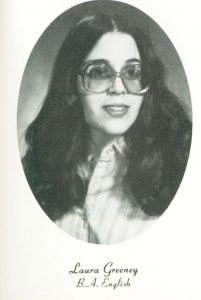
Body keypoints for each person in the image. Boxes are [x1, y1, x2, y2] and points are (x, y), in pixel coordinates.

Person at [22, 13, 192, 244]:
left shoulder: (182, 165)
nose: (119, 89)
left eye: (133, 73)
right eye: (100, 72)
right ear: (72, 83)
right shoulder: (37, 167)